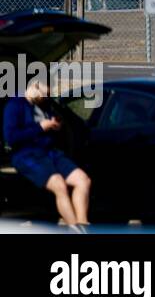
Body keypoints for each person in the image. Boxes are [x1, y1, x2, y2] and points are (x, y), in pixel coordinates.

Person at [3, 80, 92, 231]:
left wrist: (54, 126)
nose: (46, 97)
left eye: (49, 95)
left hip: (50, 153)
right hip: (27, 154)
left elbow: (49, 125)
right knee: (59, 185)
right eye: (45, 94)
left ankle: (83, 224)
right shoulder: (15, 105)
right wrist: (40, 127)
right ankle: (75, 228)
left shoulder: (44, 105)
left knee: (83, 180)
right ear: (34, 87)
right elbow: (11, 137)